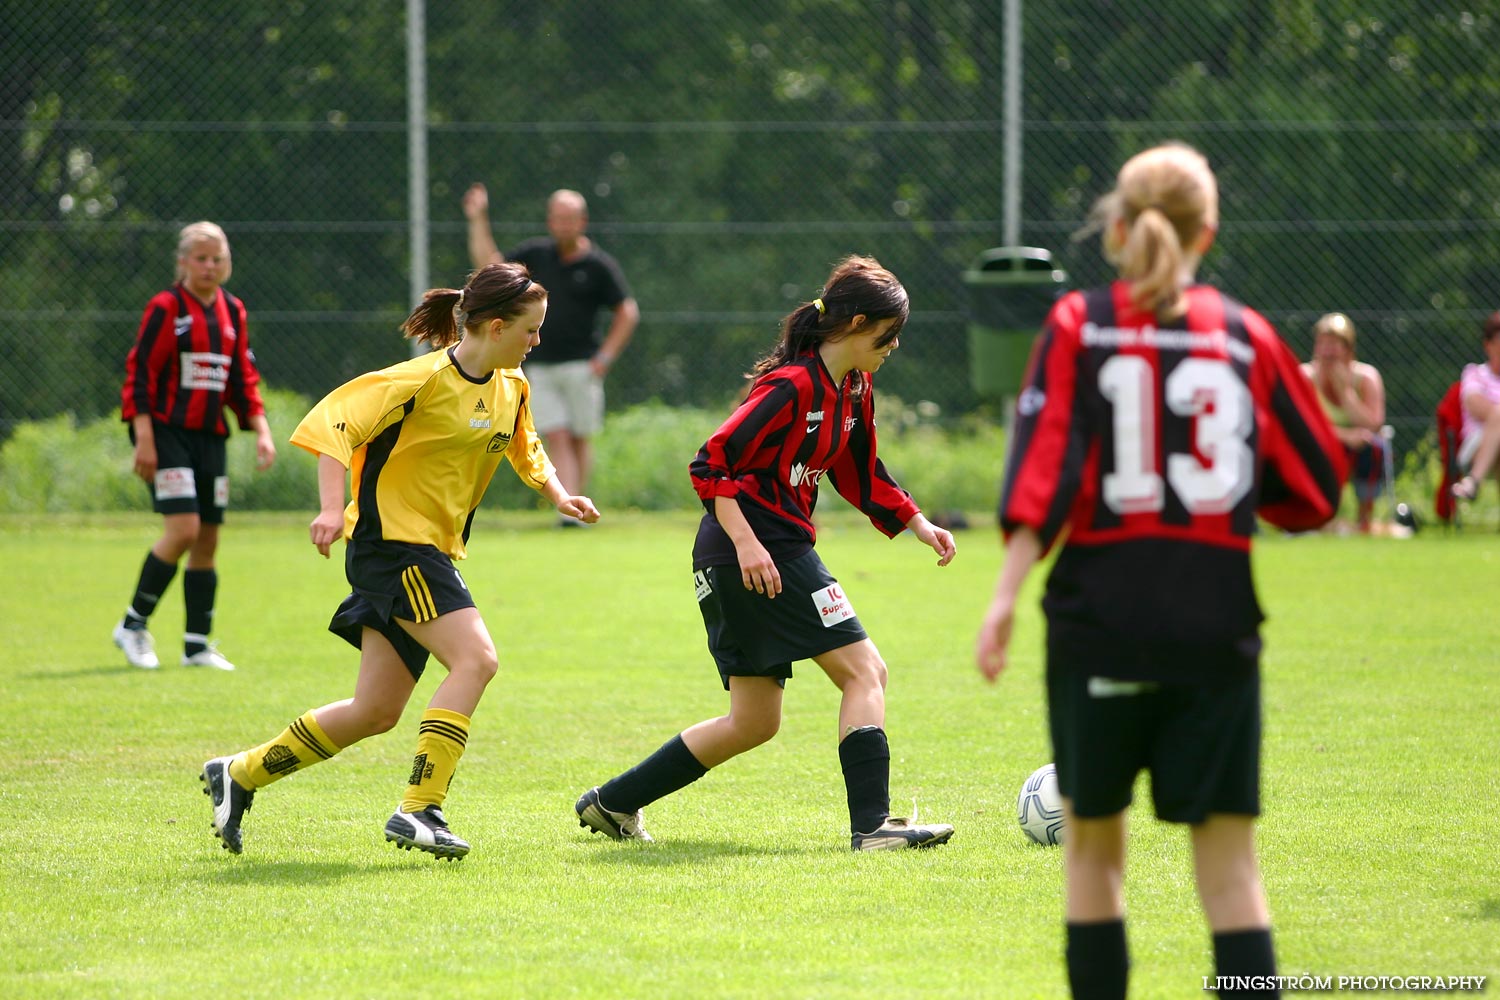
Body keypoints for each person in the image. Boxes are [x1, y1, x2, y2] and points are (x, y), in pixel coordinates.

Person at [974, 145, 1346, 999]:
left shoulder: (1078, 323)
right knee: (1229, 875)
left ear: (1114, 226)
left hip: (1098, 622)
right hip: (1216, 628)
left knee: (1096, 860)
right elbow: (1316, 489)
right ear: (1208, 232)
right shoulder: (1244, 335)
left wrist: (1002, 601)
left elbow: (1044, 473)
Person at [199, 262, 600, 860]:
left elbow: (525, 446)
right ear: (494, 327)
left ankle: (240, 772)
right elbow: (331, 424)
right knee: (477, 660)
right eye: (531, 330)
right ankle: (420, 810)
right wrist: (332, 510)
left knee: (375, 711)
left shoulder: (511, 384)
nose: (537, 341)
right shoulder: (420, 379)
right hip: (392, 548)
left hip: (428, 550)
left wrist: (559, 494)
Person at [574, 255, 958, 852]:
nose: (894, 345)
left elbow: (860, 472)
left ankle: (613, 803)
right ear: (856, 324)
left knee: (754, 721)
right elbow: (710, 462)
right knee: (866, 671)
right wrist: (749, 544)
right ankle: (873, 828)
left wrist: (917, 521)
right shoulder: (791, 386)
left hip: (752, 554)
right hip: (756, 549)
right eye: (888, 333)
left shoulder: (854, 386)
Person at [114, 221, 277, 671]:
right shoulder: (166, 308)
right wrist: (143, 437)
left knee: (206, 540)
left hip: (210, 436)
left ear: (227, 262)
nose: (209, 266)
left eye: (217, 258)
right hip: (166, 433)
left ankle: (196, 645)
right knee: (183, 530)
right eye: (200, 258)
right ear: (182, 262)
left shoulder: (233, 311)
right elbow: (140, 373)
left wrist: (261, 429)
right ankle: (132, 626)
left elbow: (242, 379)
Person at [462, 182, 639, 512]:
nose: (562, 225)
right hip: (539, 365)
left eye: (569, 218)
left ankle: (577, 504)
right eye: (557, 218)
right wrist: (477, 219)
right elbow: (491, 266)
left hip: (582, 366)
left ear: (582, 221)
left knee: (578, 438)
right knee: (555, 435)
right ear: (549, 221)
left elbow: (627, 311)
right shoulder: (535, 256)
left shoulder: (598, 265)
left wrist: (604, 358)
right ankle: (569, 511)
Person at [1299, 312, 1388, 532]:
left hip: (1358, 449)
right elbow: (1302, 424)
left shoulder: (1366, 377)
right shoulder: (1305, 376)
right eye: (1322, 344)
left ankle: (1364, 521)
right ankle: (1316, 517)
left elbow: (1375, 423)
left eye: (1334, 345)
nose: (1327, 351)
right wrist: (1345, 435)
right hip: (1321, 445)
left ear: (1348, 349)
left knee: (1374, 447)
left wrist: (1346, 394)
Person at [1451, 310, 1500, 502]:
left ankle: (1472, 483)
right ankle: (1474, 479)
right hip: (1475, 446)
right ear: (1488, 345)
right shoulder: (1474, 373)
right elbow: (1474, 405)